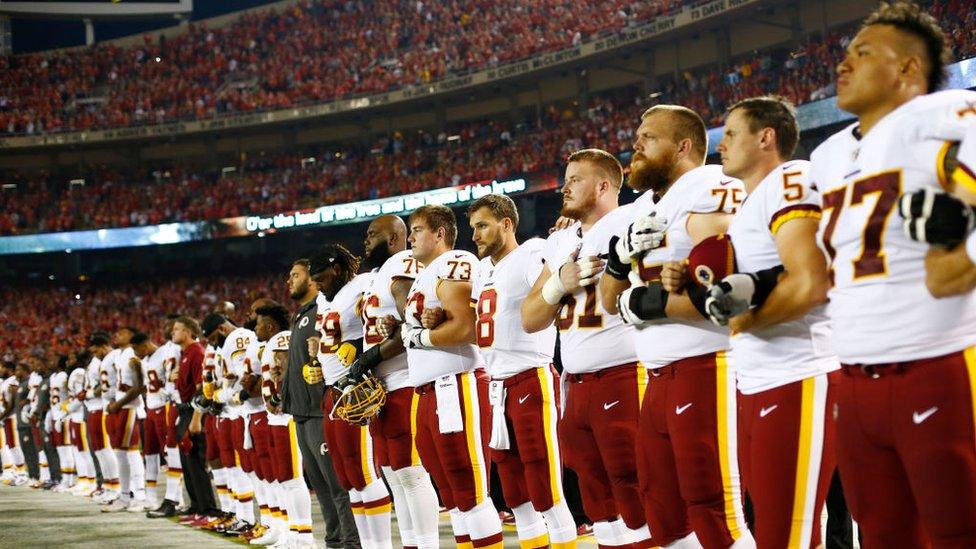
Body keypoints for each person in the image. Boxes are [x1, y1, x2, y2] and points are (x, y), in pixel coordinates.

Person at [810, 2, 976, 545]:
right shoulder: (834, 157)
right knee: (882, 536)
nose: (843, 64)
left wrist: (962, 258)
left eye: (862, 53)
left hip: (939, 365)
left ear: (908, 69)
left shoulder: (945, 113)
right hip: (855, 380)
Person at [598, 104, 753, 549]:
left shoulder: (710, 189)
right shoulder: (644, 206)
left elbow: (731, 292)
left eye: (648, 137)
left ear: (683, 146)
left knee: (715, 508)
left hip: (709, 364)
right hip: (659, 374)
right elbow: (611, 301)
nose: (635, 145)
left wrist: (650, 303)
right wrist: (617, 257)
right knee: (662, 510)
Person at [706, 96, 837, 548]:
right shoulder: (751, 202)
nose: (720, 146)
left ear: (766, 137)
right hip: (761, 378)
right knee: (784, 530)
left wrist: (742, 322)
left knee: (786, 534)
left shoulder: (789, 177)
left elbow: (810, 283)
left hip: (800, 371)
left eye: (730, 134)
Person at [522, 148, 649, 547]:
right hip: (575, 385)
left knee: (637, 491)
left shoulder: (631, 220)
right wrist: (559, 283)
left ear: (604, 185)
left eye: (575, 179)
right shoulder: (561, 242)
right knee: (598, 501)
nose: (564, 187)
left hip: (626, 373)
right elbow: (530, 317)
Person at [465, 194, 578, 547]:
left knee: (547, 489)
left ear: (506, 224)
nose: (476, 235)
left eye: (482, 226)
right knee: (516, 495)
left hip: (531, 377)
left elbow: (551, 296)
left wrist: (561, 242)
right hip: (496, 386)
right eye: (473, 228)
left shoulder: (532, 253)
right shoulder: (483, 269)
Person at [396, 204, 504, 548]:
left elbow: (468, 327)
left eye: (417, 229)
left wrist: (420, 336)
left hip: (454, 384)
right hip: (429, 390)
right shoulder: (426, 275)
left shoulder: (454, 260)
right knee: (452, 495)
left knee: (470, 490)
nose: (410, 237)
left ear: (439, 233)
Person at [349, 214, 441, 548]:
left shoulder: (403, 261)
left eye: (373, 234)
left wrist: (370, 358)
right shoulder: (376, 276)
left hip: (405, 380)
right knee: (393, 474)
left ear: (393, 239)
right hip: (384, 387)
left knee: (411, 473)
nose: (366, 241)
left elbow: (413, 317)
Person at [303, 244, 393, 548]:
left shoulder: (363, 285)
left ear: (337, 270)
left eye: (321, 279)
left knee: (365, 473)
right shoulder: (323, 298)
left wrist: (356, 344)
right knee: (348, 478)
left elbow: (374, 324)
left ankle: (380, 545)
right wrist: (316, 362)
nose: (318, 286)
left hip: (355, 386)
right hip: (332, 389)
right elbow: (325, 338)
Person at [282, 258, 361, 549]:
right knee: (321, 486)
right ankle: (334, 541)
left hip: (320, 409)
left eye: (296, 274)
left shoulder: (323, 310)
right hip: (302, 412)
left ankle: (351, 543)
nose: (289, 280)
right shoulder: (303, 314)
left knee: (337, 484)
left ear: (313, 280)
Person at [254, 302, 316, 548]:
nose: (255, 328)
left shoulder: (281, 338)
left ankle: (303, 535)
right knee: (284, 477)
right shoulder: (273, 341)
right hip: (277, 417)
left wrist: (278, 396)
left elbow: (283, 368)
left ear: (269, 325)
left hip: (285, 416)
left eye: (258, 324)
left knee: (291, 477)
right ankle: (291, 531)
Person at [172, 316, 221, 524]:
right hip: (184, 411)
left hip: (193, 411)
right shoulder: (185, 354)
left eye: (176, 329)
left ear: (188, 332)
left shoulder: (196, 352)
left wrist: (196, 417)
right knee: (187, 462)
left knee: (196, 462)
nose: (172, 333)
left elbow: (201, 388)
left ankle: (208, 509)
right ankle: (196, 506)